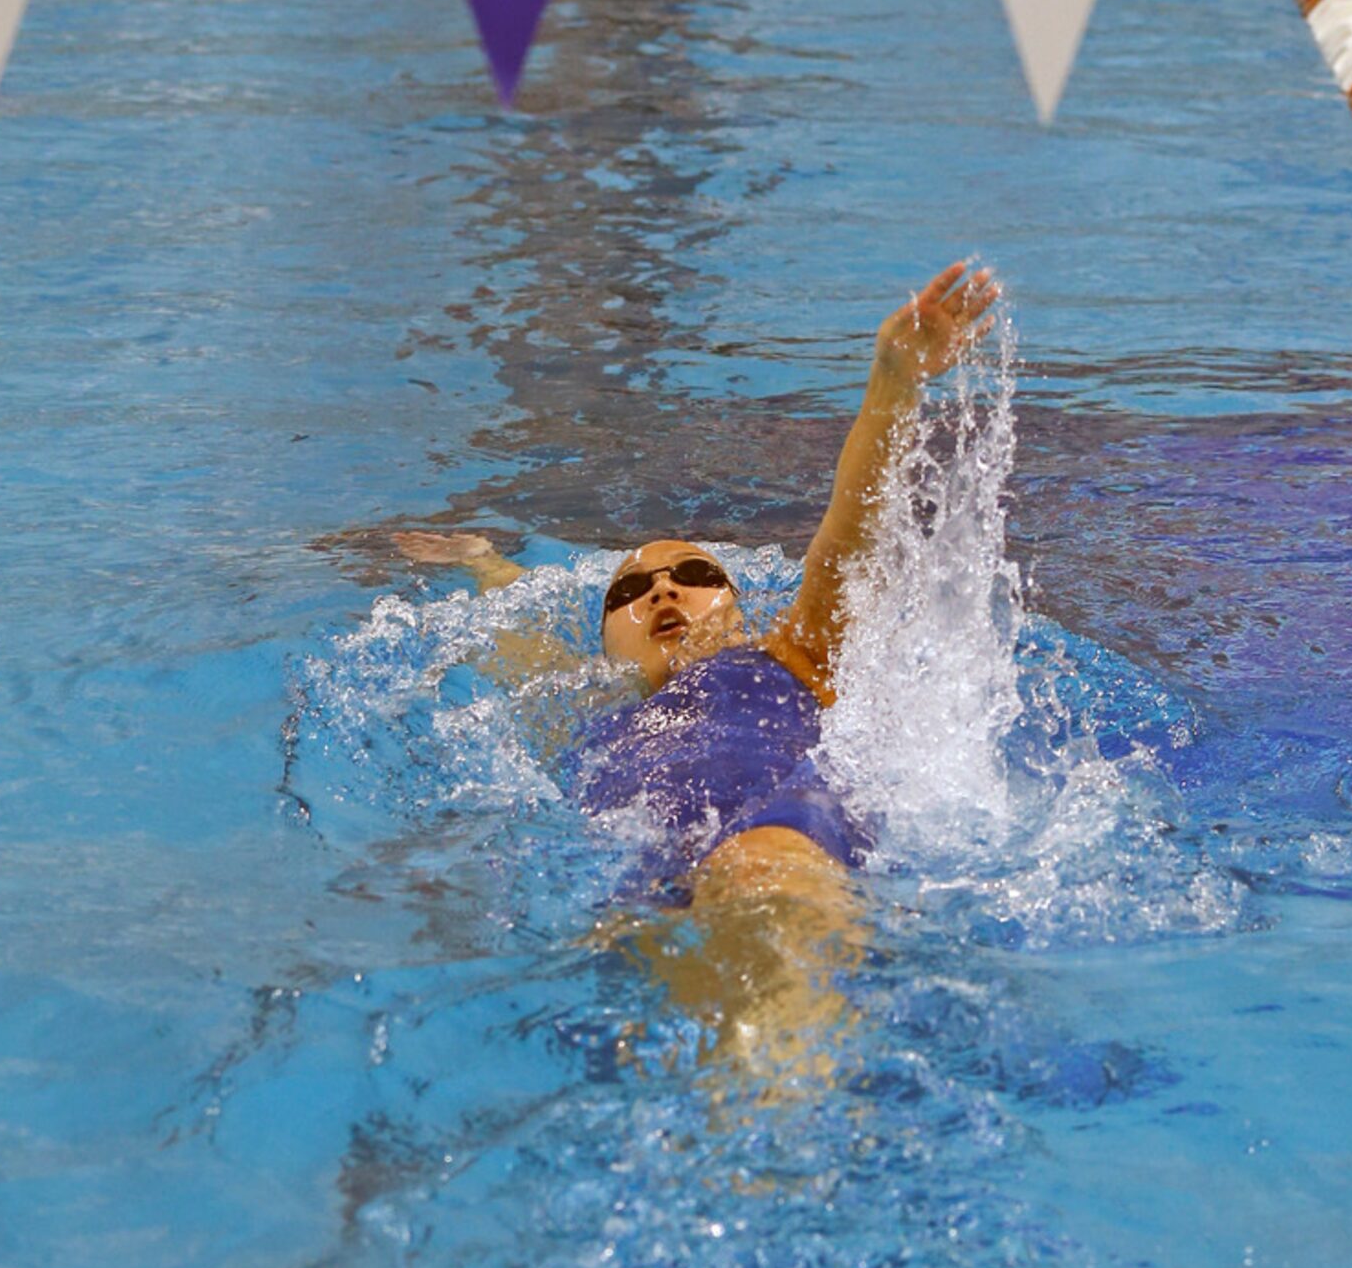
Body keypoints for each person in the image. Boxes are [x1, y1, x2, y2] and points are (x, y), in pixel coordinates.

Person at [393, 259, 998, 909]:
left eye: (691, 575)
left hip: (785, 847)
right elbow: (511, 621)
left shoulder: (791, 657)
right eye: (628, 592)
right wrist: (482, 560)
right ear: (604, 644)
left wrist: (892, 381)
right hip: (636, 886)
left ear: (736, 607)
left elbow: (846, 538)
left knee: (754, 878)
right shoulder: (580, 700)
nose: (660, 593)